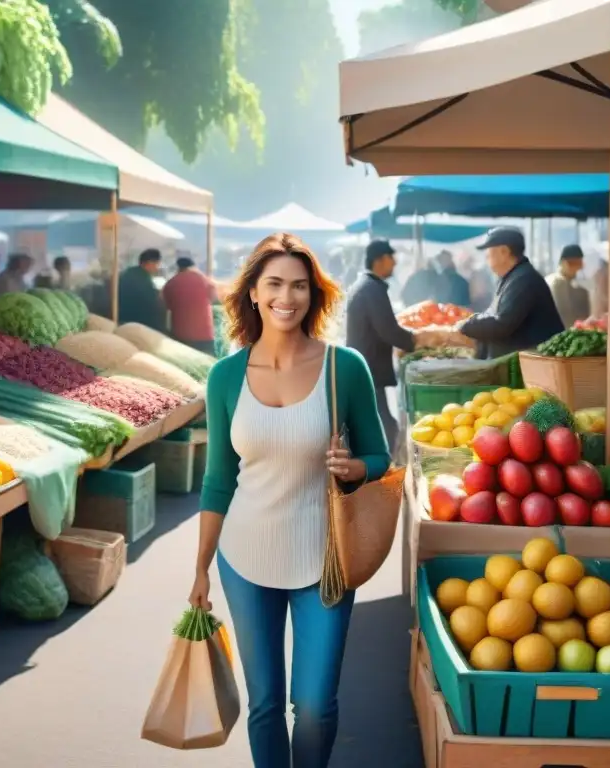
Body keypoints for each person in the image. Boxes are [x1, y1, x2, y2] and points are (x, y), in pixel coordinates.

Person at [188, 232, 389, 768]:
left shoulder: (344, 367)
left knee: (317, 706)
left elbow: (381, 455)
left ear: (313, 295)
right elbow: (217, 480)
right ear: (253, 292)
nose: (287, 296)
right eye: (274, 283)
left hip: (326, 558)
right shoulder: (225, 377)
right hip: (244, 558)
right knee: (266, 705)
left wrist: (355, 468)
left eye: (300, 286)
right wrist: (202, 568)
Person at [347, 240, 425, 449]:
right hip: (368, 368)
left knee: (382, 422)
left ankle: (380, 467)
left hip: (366, 367)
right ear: (379, 260)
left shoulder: (366, 286)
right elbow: (388, 330)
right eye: (391, 258)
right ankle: (383, 470)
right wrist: (415, 342)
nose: (394, 263)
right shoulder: (371, 289)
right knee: (385, 425)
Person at [455, 227, 564, 359]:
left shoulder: (524, 280)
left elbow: (501, 324)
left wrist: (464, 326)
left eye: (489, 251)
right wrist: (471, 321)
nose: (486, 256)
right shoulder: (512, 277)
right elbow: (491, 314)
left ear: (504, 252)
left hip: (533, 367)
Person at [162, 255, 217, 355]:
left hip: (182, 334)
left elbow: (167, 305)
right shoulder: (203, 280)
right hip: (204, 333)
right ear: (193, 267)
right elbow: (213, 297)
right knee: (208, 363)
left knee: (187, 365)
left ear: (178, 268)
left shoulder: (171, 283)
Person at [118, 248, 167, 332]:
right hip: (138, 324)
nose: (157, 268)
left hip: (122, 321)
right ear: (149, 263)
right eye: (157, 264)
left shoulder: (130, 273)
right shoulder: (143, 280)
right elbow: (151, 304)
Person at [546, 244, 592, 329]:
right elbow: (564, 314)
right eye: (573, 264)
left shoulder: (577, 285)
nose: (576, 269)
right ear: (563, 263)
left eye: (579, 264)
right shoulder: (556, 282)